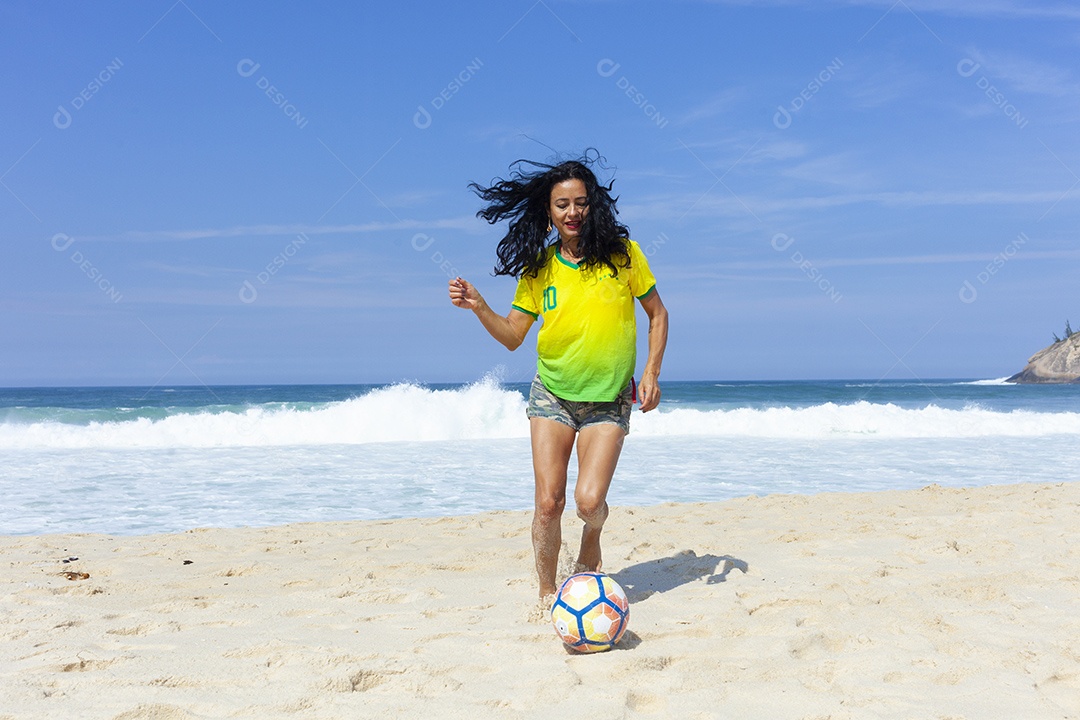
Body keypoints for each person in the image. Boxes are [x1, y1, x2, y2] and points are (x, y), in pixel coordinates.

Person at [448, 153, 669, 600]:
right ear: (549, 212)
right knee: (549, 504)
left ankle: (592, 536)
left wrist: (650, 373)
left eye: (581, 203)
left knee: (589, 503)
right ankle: (548, 596)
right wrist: (480, 307)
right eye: (562, 204)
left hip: (608, 399)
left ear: (594, 206)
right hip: (551, 394)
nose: (573, 213)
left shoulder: (624, 257)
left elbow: (658, 314)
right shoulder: (538, 267)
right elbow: (513, 336)